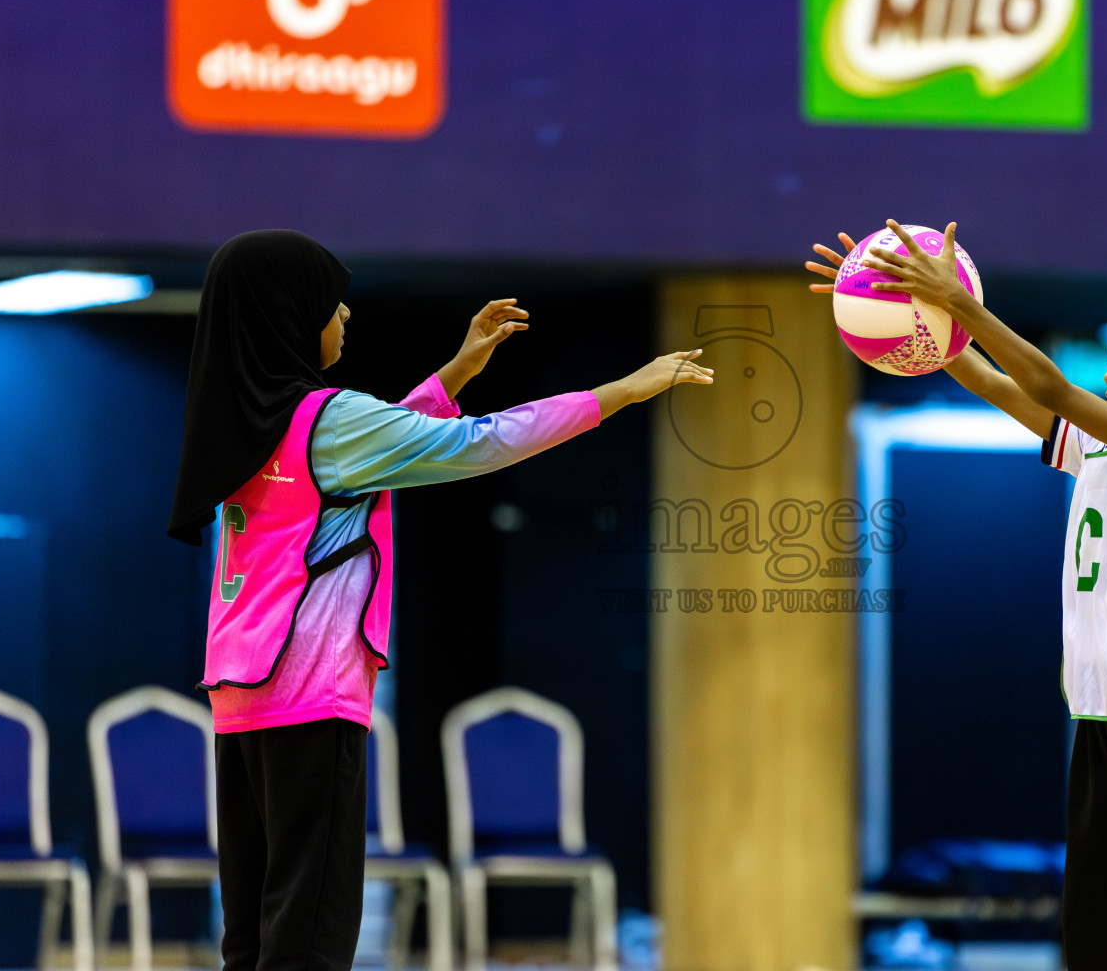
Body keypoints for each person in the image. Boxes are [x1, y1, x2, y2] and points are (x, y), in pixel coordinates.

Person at [168, 229, 712, 971]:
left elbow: (378, 446)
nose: (346, 317)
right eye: (332, 303)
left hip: (239, 697)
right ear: (290, 313)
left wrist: (453, 373)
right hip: (310, 698)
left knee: (255, 934)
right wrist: (621, 391)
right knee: (309, 934)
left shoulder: (240, 423)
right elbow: (480, 444)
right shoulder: (328, 418)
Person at [808, 222, 1107, 971]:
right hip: (1104, 704)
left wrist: (963, 304)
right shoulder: (1100, 445)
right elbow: (997, 385)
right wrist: (906, 312)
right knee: (1097, 934)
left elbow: (1052, 385)